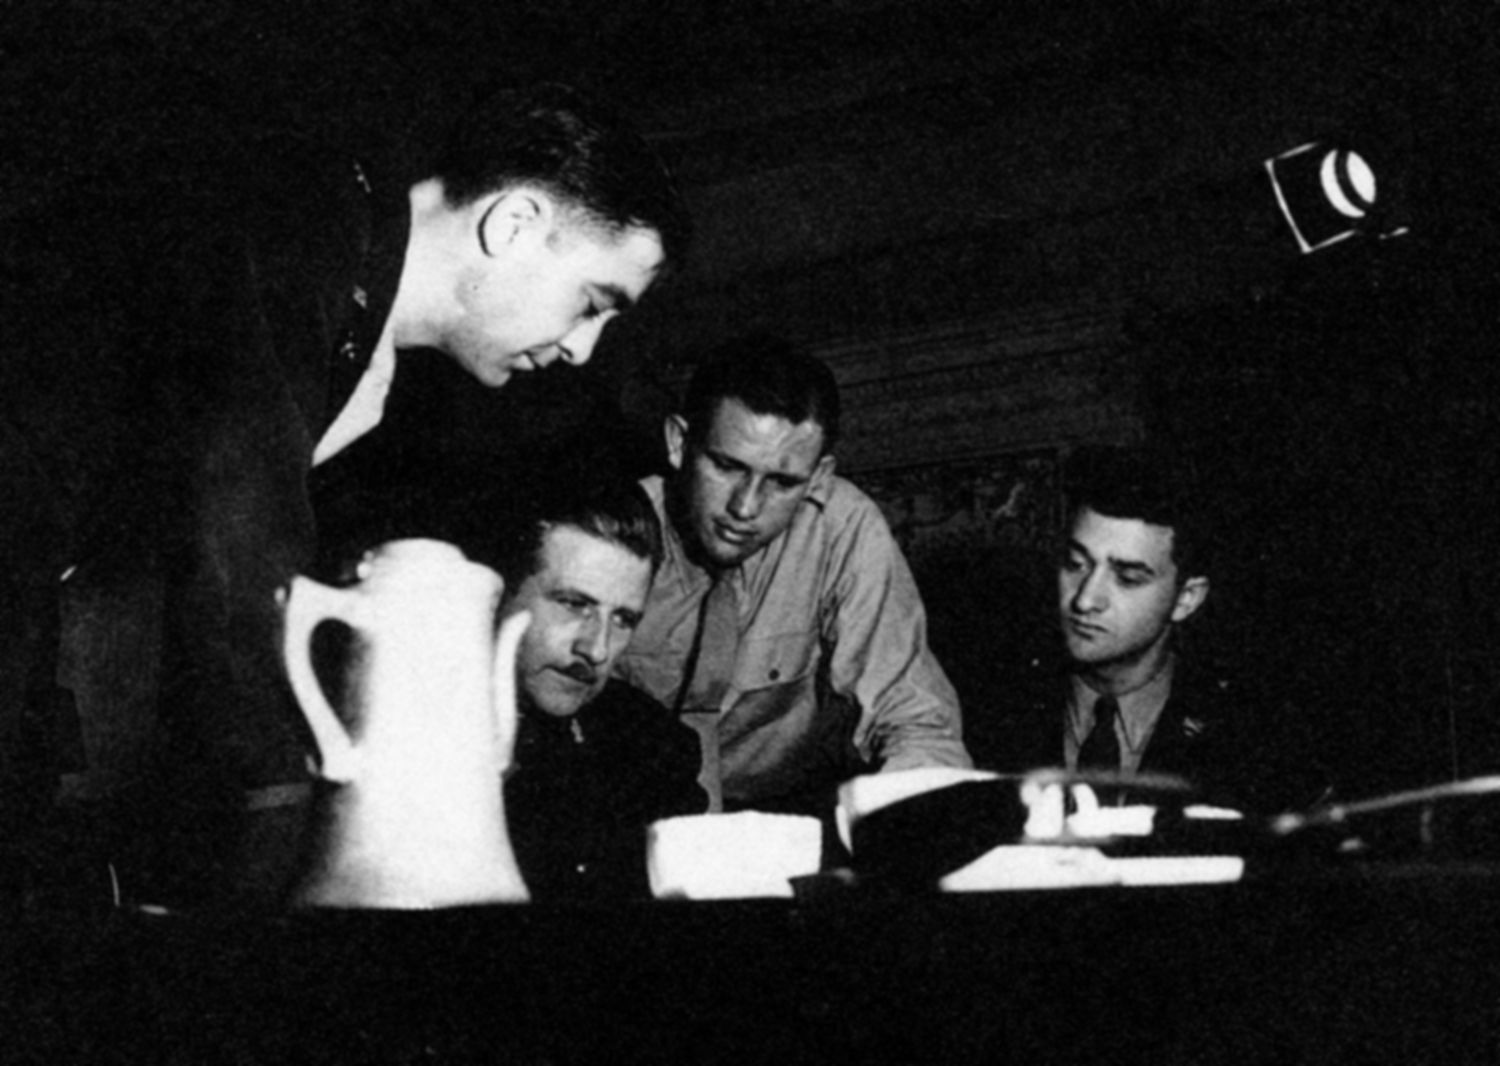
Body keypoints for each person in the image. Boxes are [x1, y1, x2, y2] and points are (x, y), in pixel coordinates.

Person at [0, 77, 691, 904]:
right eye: (593, 302)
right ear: (515, 224)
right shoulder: (305, 210)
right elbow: (235, 547)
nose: (583, 349)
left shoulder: (343, 301)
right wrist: (285, 800)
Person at [614, 335, 971, 837]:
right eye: (726, 466)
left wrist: (916, 822)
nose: (745, 508)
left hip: (793, 818)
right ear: (678, 442)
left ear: (819, 477)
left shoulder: (843, 529)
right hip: (634, 819)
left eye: (782, 483)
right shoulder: (615, 530)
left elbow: (911, 713)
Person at [972, 444, 1325, 813]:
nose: (1085, 600)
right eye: (1075, 564)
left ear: (1186, 598)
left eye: (1127, 578)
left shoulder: (1254, 737)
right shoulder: (989, 712)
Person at [490, 483, 703, 902]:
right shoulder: (411, 737)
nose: (597, 648)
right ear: (500, 591)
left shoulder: (654, 750)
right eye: (573, 604)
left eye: (623, 619)